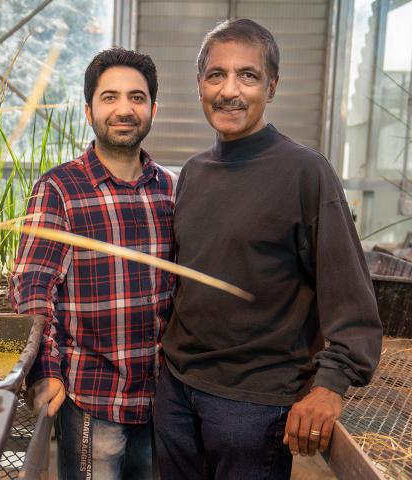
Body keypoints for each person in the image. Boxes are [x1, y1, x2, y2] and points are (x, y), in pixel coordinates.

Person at [154, 19, 382, 480]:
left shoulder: (306, 173)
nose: (229, 91)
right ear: (200, 84)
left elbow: (352, 300)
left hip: (253, 405)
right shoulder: (193, 174)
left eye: (248, 76)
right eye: (216, 75)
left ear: (272, 87)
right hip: (176, 389)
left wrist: (330, 386)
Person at [10, 47, 175, 480]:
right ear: (89, 111)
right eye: (110, 97)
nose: (125, 109)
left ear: (153, 109)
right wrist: (43, 371)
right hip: (91, 399)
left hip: (160, 401)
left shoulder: (170, 190)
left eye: (137, 98)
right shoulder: (59, 189)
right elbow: (33, 288)